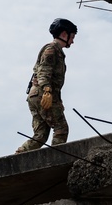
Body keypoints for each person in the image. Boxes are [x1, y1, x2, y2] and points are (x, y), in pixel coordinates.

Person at [15, 18, 77, 153]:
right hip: (43, 94)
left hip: (35, 95)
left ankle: (20, 155)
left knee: (40, 135)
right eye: (72, 37)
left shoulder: (56, 51)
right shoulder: (52, 49)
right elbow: (44, 71)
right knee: (61, 129)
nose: (73, 41)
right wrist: (47, 91)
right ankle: (55, 158)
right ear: (64, 35)